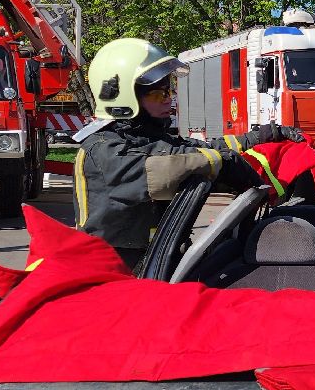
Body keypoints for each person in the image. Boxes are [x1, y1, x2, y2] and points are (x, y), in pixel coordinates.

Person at [74, 37, 302, 269]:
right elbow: (161, 174)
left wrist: (262, 136)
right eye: (158, 94)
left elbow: (201, 149)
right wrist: (220, 164)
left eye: (169, 90)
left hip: (156, 257)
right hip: (113, 268)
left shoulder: (148, 138)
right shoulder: (102, 149)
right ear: (122, 96)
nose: (169, 99)